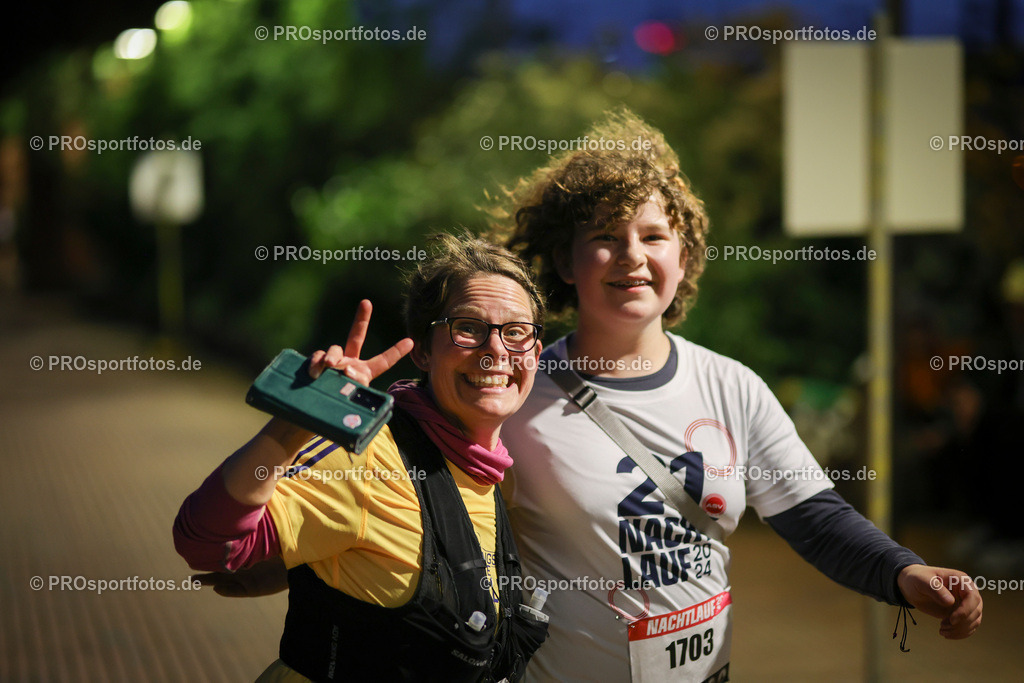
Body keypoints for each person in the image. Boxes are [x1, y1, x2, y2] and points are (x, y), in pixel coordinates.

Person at [494, 108, 983, 682]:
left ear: (683, 255)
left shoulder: (731, 386)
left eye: (653, 236)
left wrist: (903, 573)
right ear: (563, 261)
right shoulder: (514, 395)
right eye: (605, 237)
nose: (632, 255)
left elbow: (814, 517)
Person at [173, 233, 549, 682]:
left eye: (516, 332)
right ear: (424, 350)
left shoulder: (489, 472)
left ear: (536, 354)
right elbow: (208, 544)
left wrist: (302, 566)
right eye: (467, 327)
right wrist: (301, 419)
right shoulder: (372, 461)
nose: (496, 351)